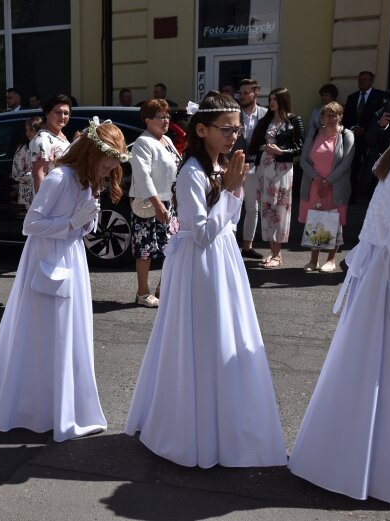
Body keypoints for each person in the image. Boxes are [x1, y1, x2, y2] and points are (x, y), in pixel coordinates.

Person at [124, 93, 286, 468]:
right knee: (204, 337)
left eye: (237, 128)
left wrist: (231, 188)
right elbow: (200, 233)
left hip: (224, 259)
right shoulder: (191, 172)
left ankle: (227, 422)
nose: (234, 134)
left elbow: (227, 224)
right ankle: (194, 427)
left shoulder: (224, 164)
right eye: (225, 128)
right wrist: (229, 191)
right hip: (201, 264)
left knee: (227, 334)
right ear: (202, 129)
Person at [0, 119, 128, 442]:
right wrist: (72, 221)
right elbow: (30, 224)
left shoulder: (87, 181)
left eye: (114, 164)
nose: (109, 169)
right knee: (47, 330)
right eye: (107, 162)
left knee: (69, 329)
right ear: (90, 152)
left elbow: (80, 229)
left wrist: (86, 222)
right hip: (46, 258)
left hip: (71, 257)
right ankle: (36, 406)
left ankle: (65, 404)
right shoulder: (59, 178)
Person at [288, 139, 390, 505]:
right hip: (388, 278)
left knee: (366, 367)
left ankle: (351, 459)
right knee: (379, 369)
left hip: (379, 275)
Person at [129, 98, 180, 308]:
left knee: (171, 247)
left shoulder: (167, 140)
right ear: (148, 120)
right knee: (145, 248)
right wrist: (158, 203)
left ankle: (162, 288)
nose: (166, 120)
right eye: (161, 116)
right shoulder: (143, 142)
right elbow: (143, 176)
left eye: (168, 116)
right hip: (148, 203)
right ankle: (143, 293)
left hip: (169, 200)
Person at [248, 87, 304, 268]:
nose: (271, 102)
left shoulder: (294, 120)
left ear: (283, 100)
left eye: (275, 99)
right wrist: (264, 148)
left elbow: (300, 148)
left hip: (282, 168)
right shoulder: (266, 121)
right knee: (266, 209)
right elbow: (254, 144)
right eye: (270, 99)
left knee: (279, 210)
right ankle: (273, 252)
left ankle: (278, 254)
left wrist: (281, 151)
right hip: (265, 169)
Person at [298, 102, 354, 273]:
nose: (329, 118)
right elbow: (303, 160)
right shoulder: (315, 132)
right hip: (313, 185)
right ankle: (313, 260)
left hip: (335, 186)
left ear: (340, 116)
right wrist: (317, 179)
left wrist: (327, 181)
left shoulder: (346, 135)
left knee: (334, 221)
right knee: (315, 220)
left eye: (333, 115)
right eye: (326, 115)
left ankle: (331, 260)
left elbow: (346, 163)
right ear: (321, 117)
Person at [232, 78, 268, 259]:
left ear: (256, 93)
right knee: (232, 203)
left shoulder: (265, 114)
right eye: (241, 93)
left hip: (255, 164)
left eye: (247, 93)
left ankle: (247, 246)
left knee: (252, 207)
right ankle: (230, 243)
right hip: (235, 164)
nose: (243, 96)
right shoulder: (234, 113)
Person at [342, 71, 387, 200]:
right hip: (354, 138)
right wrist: (353, 128)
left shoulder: (380, 96)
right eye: (360, 80)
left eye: (364, 80)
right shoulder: (352, 97)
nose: (361, 82)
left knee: (371, 167)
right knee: (353, 166)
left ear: (371, 81)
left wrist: (366, 130)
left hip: (371, 139)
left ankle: (370, 197)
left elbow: (379, 118)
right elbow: (347, 118)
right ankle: (351, 197)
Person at [29, 94, 73, 192]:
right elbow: (39, 175)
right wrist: (45, 205)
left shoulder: (60, 137)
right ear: (47, 113)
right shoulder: (43, 139)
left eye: (66, 113)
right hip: (52, 199)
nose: (63, 116)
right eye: (58, 112)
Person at [11, 116, 42, 207]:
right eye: (26, 130)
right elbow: (16, 173)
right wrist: (35, 177)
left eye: (31, 130)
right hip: (29, 195)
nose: (28, 133)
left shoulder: (47, 147)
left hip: (46, 192)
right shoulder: (23, 149)